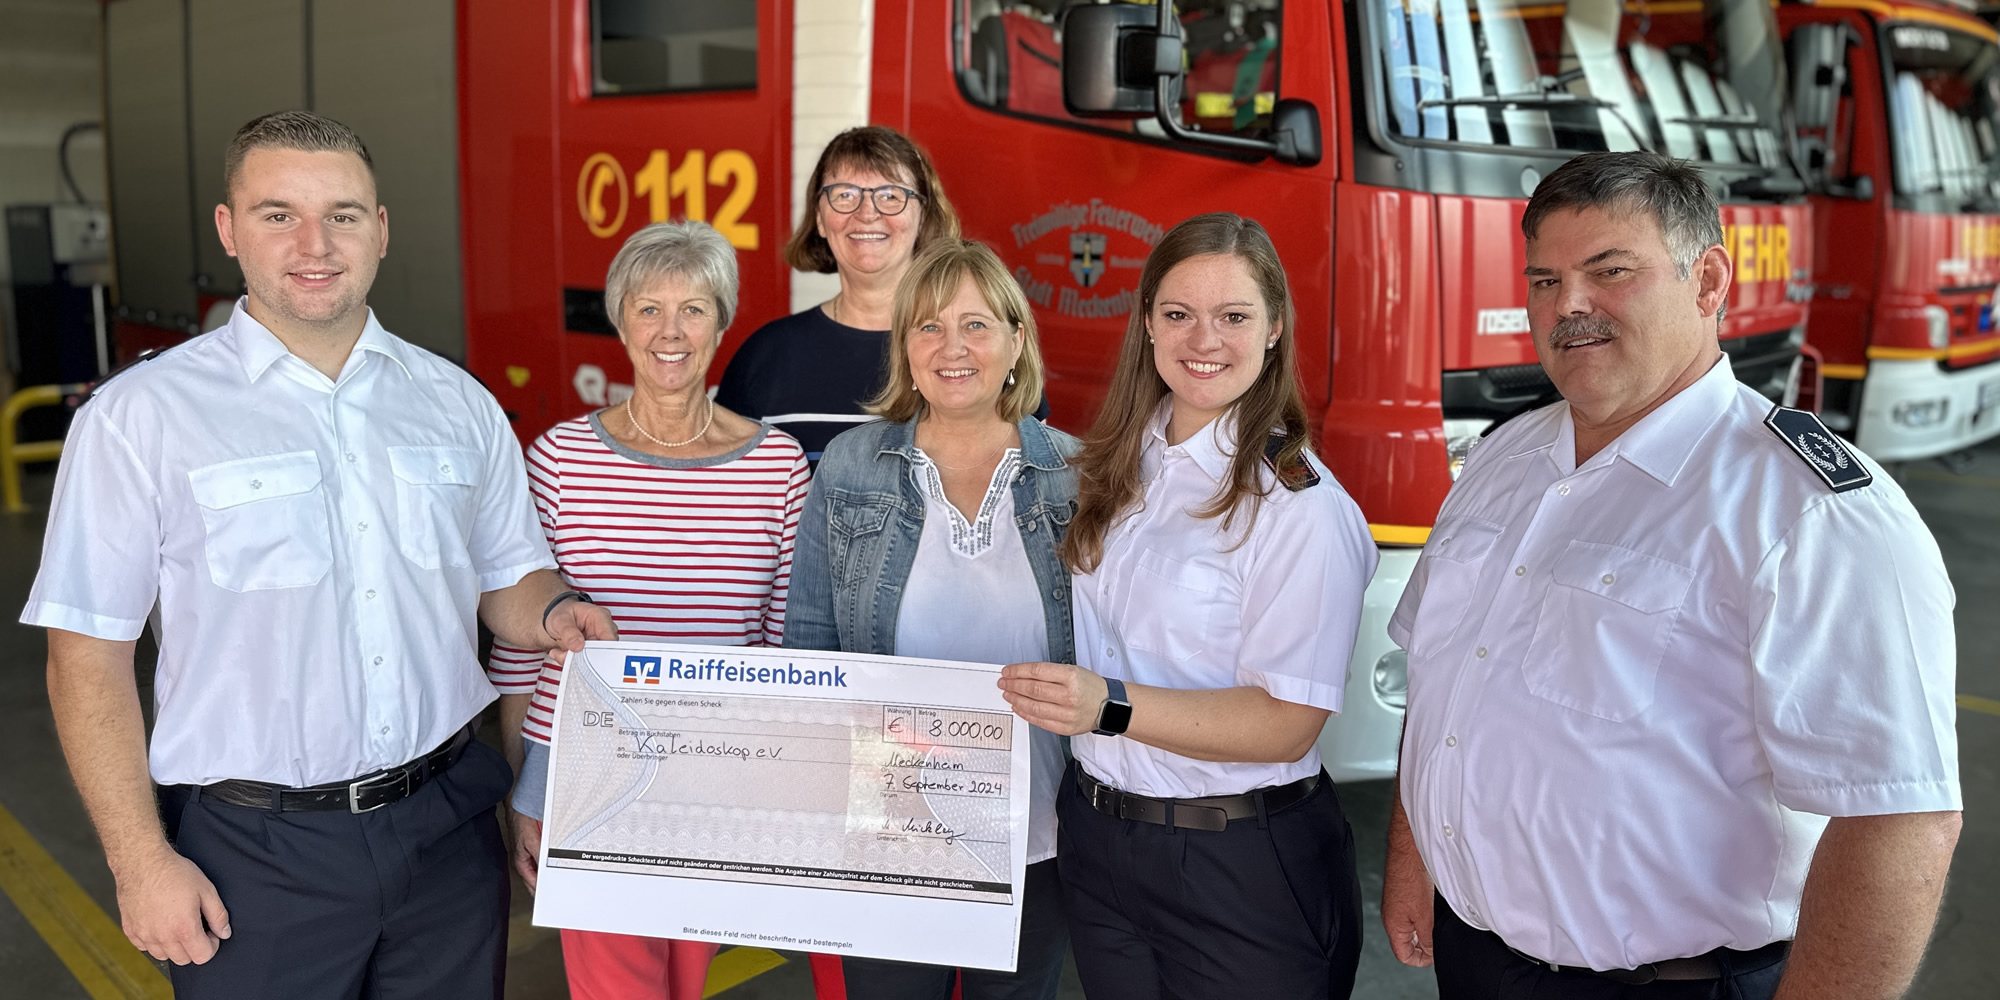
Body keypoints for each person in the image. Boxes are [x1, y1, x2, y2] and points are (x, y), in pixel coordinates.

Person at [23, 110, 616, 999]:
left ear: (379, 230)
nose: (315, 243)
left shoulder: (456, 401)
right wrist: (141, 861)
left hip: (448, 830)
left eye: (342, 214)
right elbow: (84, 655)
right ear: (229, 230)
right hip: (255, 856)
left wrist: (553, 610)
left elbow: (507, 579)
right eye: (277, 214)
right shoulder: (139, 417)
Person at [1381, 151, 1963, 1000]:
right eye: (1544, 280)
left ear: (1708, 281)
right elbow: (1445, 685)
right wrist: (1414, 860)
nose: (1568, 306)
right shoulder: (1505, 458)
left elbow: (1898, 817)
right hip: (1479, 959)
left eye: (1609, 271)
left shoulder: (1810, 514)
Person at [999, 212, 1376, 999]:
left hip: (1236, 857)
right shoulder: (1119, 459)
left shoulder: (1297, 503)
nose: (1203, 338)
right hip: (1102, 839)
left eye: (1233, 316)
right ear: (1147, 323)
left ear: (1274, 328)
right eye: (1179, 314)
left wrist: (1107, 708)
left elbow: (1288, 720)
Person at [496, 220, 811, 1000]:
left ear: (722, 320)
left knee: (684, 982)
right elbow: (520, 650)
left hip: (717, 779)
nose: (671, 333)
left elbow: (783, 650)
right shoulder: (560, 458)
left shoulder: (776, 465)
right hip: (587, 779)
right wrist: (520, 790)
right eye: (648, 309)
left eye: (694, 309)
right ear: (620, 321)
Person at [785, 239, 1077, 1000]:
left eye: (977, 326)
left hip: (1037, 835)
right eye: (928, 328)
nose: (953, 348)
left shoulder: (1083, 476)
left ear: (1017, 342)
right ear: (905, 350)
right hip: (889, 836)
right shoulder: (849, 466)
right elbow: (812, 640)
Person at [714, 126, 961, 462]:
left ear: (922, 215)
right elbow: (732, 495)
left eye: (890, 195)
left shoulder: (971, 350)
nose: (867, 213)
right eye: (845, 194)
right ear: (819, 218)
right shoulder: (765, 356)